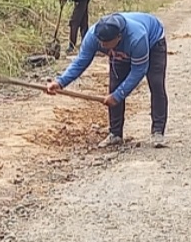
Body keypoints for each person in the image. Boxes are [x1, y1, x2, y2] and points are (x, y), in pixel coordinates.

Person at [46, 11, 168, 148]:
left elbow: (138, 71)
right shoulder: (93, 36)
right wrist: (60, 82)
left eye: (107, 43)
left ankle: (158, 131)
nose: (103, 46)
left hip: (153, 42)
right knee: (114, 86)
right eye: (101, 42)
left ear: (118, 37)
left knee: (156, 84)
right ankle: (115, 134)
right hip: (123, 49)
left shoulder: (137, 37)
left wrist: (118, 95)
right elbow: (81, 62)